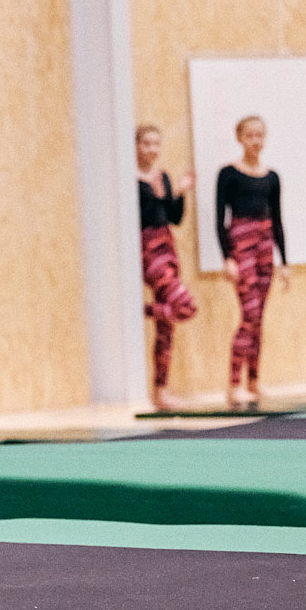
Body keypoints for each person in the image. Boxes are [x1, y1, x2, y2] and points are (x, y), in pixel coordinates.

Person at [215, 115, 288, 410]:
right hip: (241, 244)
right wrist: (227, 258)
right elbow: (220, 219)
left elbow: (278, 219)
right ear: (240, 138)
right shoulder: (228, 174)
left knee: (259, 318)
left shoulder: (272, 177)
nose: (256, 141)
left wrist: (285, 262)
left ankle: (253, 381)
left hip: (265, 245)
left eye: (260, 135)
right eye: (250, 136)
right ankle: (233, 385)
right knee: (249, 314)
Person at [136, 124, 198, 413]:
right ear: (136, 147)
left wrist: (181, 191)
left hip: (167, 245)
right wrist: (158, 197)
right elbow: (139, 215)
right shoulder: (131, 180)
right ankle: (139, 311)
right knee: (185, 307)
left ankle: (160, 391)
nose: (152, 149)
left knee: (166, 327)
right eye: (146, 143)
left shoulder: (162, 177)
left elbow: (174, 217)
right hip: (148, 247)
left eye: (156, 144)